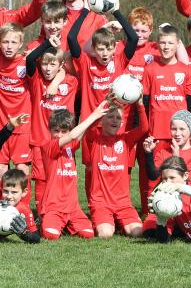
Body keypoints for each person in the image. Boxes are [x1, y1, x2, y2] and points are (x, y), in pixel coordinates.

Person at [140, 25, 191, 213]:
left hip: (180, 134)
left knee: (178, 174)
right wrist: (145, 130)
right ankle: (150, 211)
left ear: (178, 44)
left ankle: (179, 211)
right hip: (157, 132)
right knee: (154, 175)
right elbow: (146, 101)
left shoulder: (186, 71)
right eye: (163, 43)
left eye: (170, 43)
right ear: (157, 44)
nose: (166, 47)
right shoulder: (150, 69)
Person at [39, 104, 109, 240]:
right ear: (50, 130)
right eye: (56, 130)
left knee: (88, 234)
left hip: (73, 208)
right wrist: (93, 115)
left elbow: (81, 132)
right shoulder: (48, 146)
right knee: (50, 235)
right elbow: (72, 135)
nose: (59, 135)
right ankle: (49, 221)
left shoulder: (70, 147)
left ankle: (65, 224)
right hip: (54, 208)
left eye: (63, 131)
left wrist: (99, 109)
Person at [67, 0, 139, 122]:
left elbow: (133, 38)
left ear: (115, 48)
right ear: (93, 49)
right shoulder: (86, 62)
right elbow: (71, 38)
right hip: (89, 123)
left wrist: (115, 11)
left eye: (109, 49)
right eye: (100, 49)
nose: (105, 54)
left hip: (111, 123)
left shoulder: (119, 61)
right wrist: (85, 11)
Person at [24, 31, 74, 207]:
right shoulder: (36, 81)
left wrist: (56, 83)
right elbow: (29, 60)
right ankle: (42, 212)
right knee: (41, 178)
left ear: (60, 66)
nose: (47, 68)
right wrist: (46, 43)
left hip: (63, 141)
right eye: (44, 64)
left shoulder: (71, 83)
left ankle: (62, 209)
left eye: (52, 64)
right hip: (41, 141)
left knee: (61, 175)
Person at [85, 101, 149, 238]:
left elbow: (144, 128)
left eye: (118, 117)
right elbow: (89, 127)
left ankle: (118, 224)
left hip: (123, 203)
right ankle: (104, 223)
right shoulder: (95, 138)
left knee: (137, 232)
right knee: (106, 234)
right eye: (110, 116)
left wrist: (140, 104)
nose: (115, 120)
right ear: (101, 120)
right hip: (101, 203)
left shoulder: (126, 139)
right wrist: (104, 105)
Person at [0, 23, 36, 187]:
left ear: (21, 43)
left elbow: (59, 64)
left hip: (22, 127)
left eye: (13, 42)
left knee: (22, 169)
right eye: (5, 42)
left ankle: (23, 210)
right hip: (0, 125)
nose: (9, 46)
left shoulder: (27, 62)